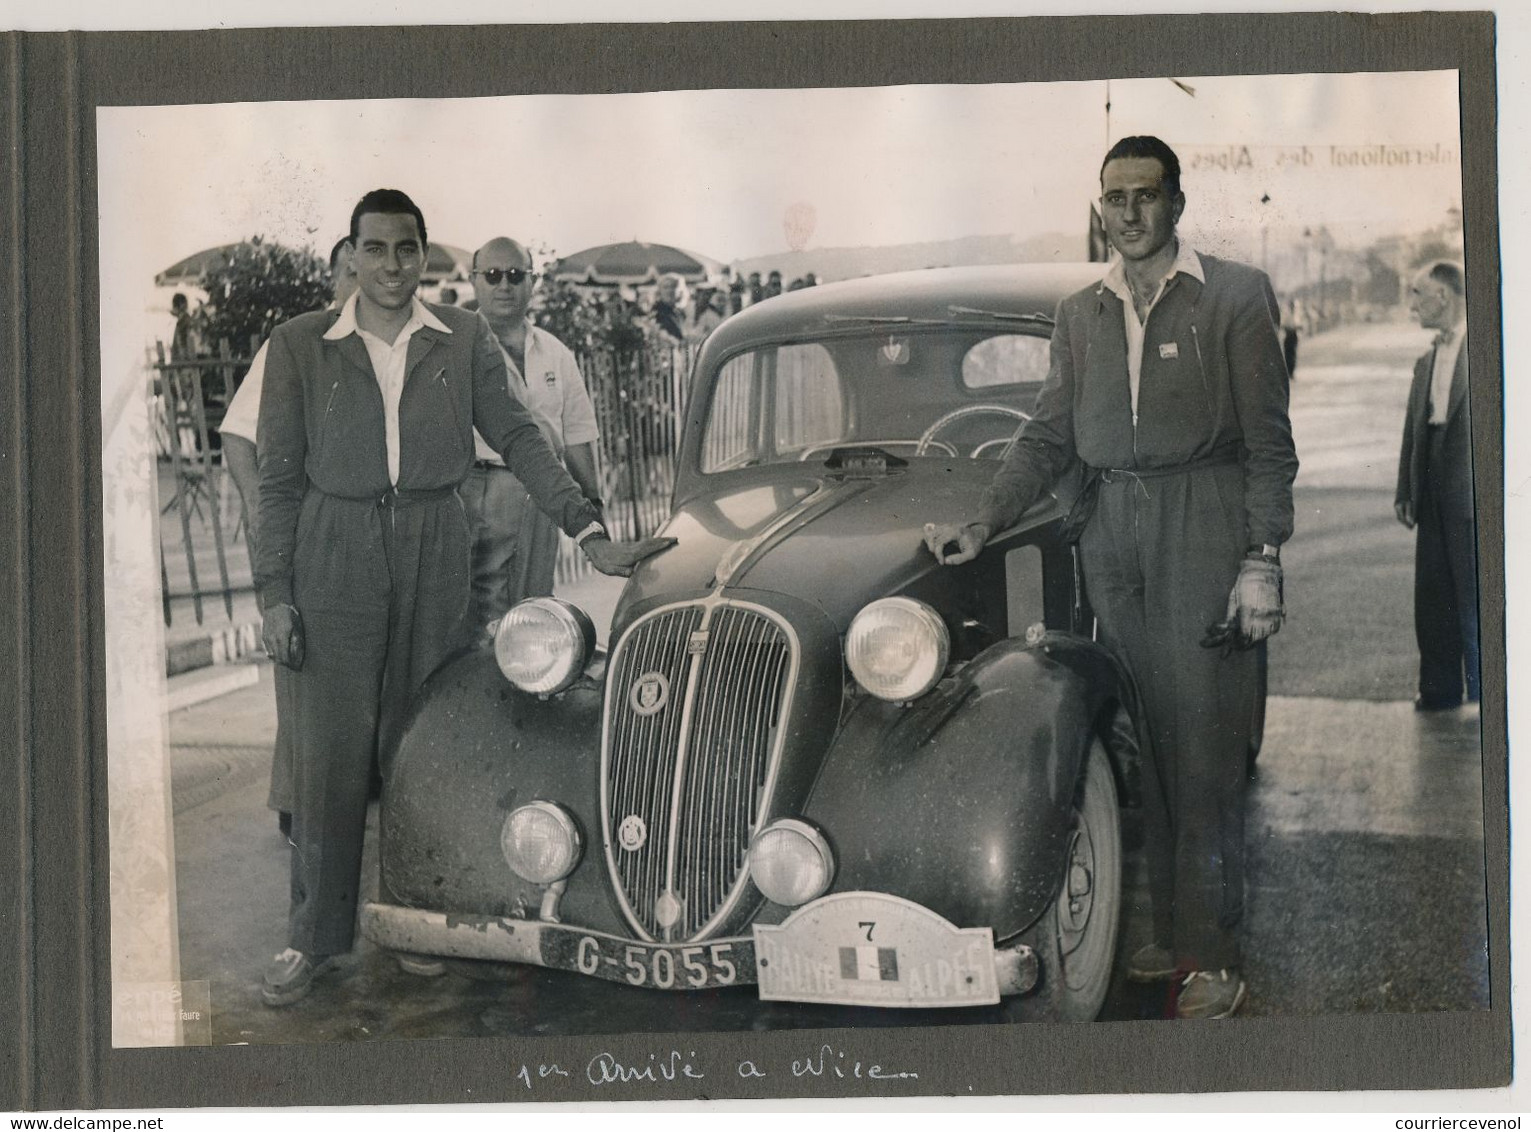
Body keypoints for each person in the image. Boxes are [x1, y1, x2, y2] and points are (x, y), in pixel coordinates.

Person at [254, 189, 672, 1007]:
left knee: (420, 743)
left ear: (426, 258)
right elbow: (274, 482)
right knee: (327, 754)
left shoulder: (464, 338)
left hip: (433, 545)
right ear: (349, 255)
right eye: (374, 249)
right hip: (330, 553)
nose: (390, 265)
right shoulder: (299, 344)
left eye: (406, 249)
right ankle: (313, 937)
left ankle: (414, 918)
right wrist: (275, 593)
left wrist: (590, 534)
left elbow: (521, 436)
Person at [922, 136, 1297, 1020]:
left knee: (1203, 743)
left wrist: (1260, 558)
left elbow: (1269, 445)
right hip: (1111, 540)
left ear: (1176, 201)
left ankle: (1214, 956)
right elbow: (1047, 436)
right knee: (1143, 743)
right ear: (1100, 209)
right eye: (1113, 198)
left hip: (1200, 525)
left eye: (1144, 195)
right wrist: (985, 518)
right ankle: (1169, 926)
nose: (1127, 213)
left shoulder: (1234, 295)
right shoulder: (1079, 312)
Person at [222, 237, 357, 838]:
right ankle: (298, 803)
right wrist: (258, 506)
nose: (363, 283)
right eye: (350, 272)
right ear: (333, 278)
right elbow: (236, 434)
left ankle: (328, 796)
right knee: (301, 667)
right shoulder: (299, 343)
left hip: (361, 532)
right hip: (301, 527)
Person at [462, 236, 604, 627]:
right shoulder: (456, 349)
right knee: (480, 611)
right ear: (473, 281)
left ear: (532, 282)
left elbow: (576, 431)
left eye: (514, 275)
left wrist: (593, 502)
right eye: (492, 276)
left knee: (535, 606)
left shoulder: (554, 351)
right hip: (480, 487)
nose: (503, 285)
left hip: (542, 494)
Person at [1395, 261, 1477, 711]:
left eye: (1416, 293)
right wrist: (1405, 490)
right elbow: (1414, 430)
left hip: (1470, 492)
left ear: (1442, 297)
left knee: (1475, 596)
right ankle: (1439, 690)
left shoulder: (1487, 348)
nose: (1411, 305)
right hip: (1431, 493)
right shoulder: (1426, 360)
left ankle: (1489, 698)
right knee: (1433, 595)